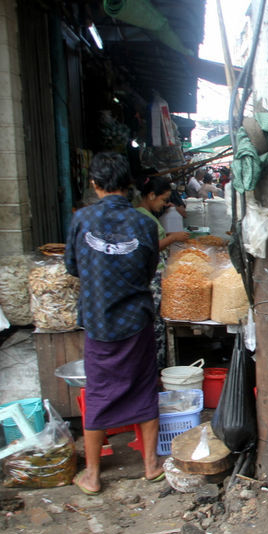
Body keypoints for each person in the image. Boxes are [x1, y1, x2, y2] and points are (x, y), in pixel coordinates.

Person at [64, 153, 166, 494]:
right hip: (135, 318)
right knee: (143, 385)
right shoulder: (145, 224)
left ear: (94, 184)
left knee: (98, 391)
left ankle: (93, 475)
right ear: (129, 185)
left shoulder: (82, 219)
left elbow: (72, 266)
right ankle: (151, 465)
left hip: (98, 318)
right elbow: (149, 268)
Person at [135, 176, 190, 369]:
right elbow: (148, 247)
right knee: (156, 324)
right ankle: (156, 368)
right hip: (153, 278)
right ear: (151, 195)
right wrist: (173, 237)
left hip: (158, 274)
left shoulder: (147, 216)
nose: (166, 204)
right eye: (163, 199)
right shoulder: (141, 216)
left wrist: (170, 236)